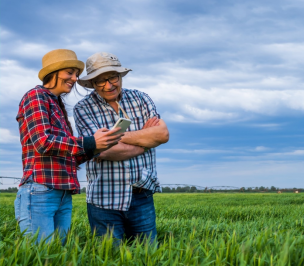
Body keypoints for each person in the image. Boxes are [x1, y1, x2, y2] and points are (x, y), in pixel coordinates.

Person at [14, 49, 123, 243]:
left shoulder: (58, 105)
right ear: (53, 73)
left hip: (62, 191)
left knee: (57, 254)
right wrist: (90, 142)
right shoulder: (36, 96)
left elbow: (67, 154)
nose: (74, 78)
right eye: (69, 72)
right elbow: (43, 142)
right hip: (41, 189)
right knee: (40, 254)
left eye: (76, 74)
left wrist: (99, 145)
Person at [74, 52, 169, 244]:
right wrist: (145, 142)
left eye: (113, 78)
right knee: (109, 257)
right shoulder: (82, 108)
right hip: (103, 198)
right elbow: (104, 150)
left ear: (120, 76)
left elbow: (162, 135)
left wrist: (114, 138)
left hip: (141, 193)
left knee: (148, 256)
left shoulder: (141, 99)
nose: (109, 85)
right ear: (92, 83)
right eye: (100, 81)